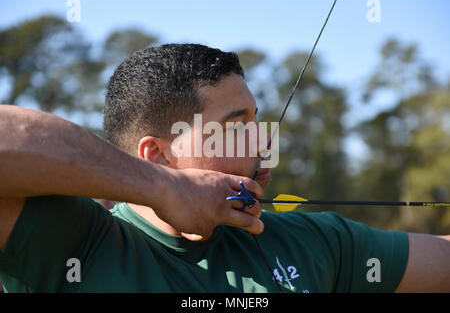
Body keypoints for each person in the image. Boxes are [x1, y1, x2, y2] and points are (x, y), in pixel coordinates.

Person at [0, 44, 448, 292]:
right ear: (158, 155)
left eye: (259, 122)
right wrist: (163, 190)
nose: (264, 143)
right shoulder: (72, 243)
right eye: (237, 128)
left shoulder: (310, 243)